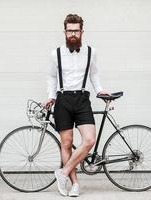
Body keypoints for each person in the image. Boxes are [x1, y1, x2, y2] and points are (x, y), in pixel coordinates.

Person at [43, 14, 109, 197]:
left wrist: (100, 90)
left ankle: (62, 173)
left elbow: (94, 74)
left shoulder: (91, 51)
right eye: (69, 30)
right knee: (67, 142)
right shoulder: (55, 53)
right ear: (64, 32)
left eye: (76, 30)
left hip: (82, 99)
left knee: (89, 140)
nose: (73, 34)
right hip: (62, 100)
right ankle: (75, 184)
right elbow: (51, 77)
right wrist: (51, 96)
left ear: (82, 31)